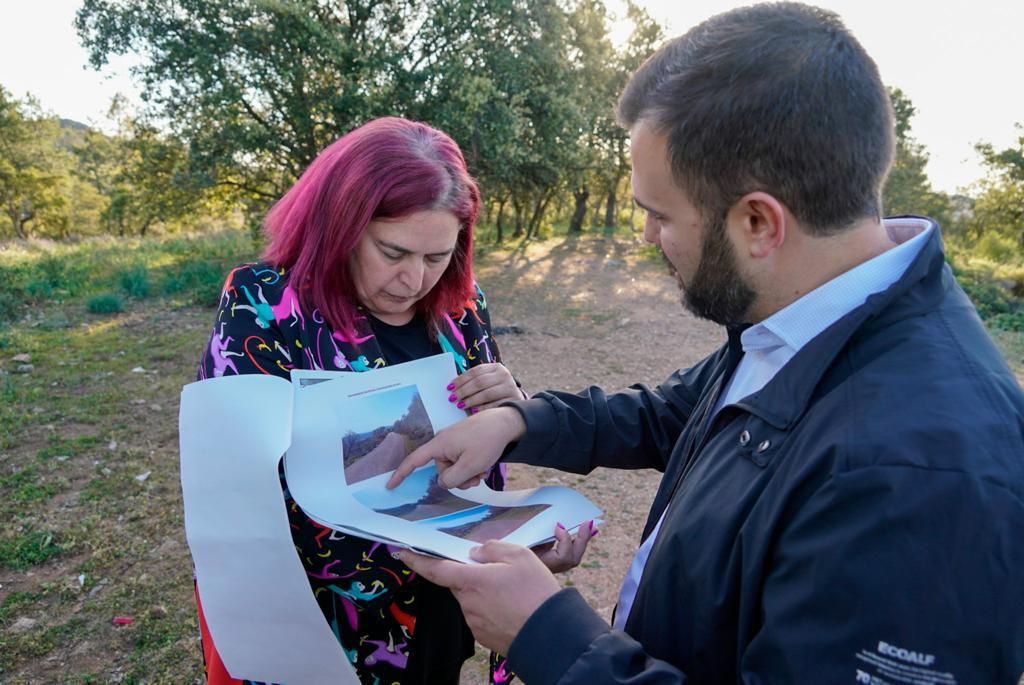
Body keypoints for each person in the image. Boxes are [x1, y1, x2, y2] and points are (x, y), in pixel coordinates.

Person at [387, 4, 1024, 683]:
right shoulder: (809, 315)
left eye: (659, 215)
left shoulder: (919, 476)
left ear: (757, 221)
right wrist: (517, 422)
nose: (645, 237)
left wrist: (547, 636)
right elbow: (677, 412)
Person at [195, 117, 592, 685]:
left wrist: (510, 408)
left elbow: (478, 447)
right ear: (341, 225)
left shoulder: (462, 302)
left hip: (441, 601)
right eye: (393, 251)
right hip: (325, 613)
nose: (414, 280)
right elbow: (231, 482)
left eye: (437, 257)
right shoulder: (264, 304)